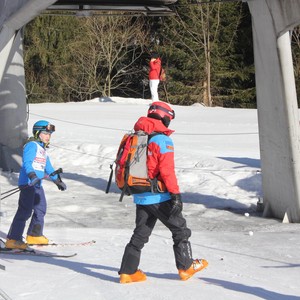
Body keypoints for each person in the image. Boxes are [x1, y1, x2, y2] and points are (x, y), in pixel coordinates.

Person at [119, 101, 208, 283]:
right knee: (180, 230)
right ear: (165, 117)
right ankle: (186, 267)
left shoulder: (136, 136)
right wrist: (175, 195)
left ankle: (128, 272)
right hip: (159, 196)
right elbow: (167, 171)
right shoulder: (162, 140)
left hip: (140, 195)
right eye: (170, 117)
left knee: (140, 233)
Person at [5, 120, 67, 250]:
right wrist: (32, 175)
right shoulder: (31, 145)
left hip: (37, 184)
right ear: (38, 133)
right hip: (28, 183)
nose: (48, 136)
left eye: (49, 134)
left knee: (41, 209)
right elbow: (27, 163)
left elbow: (49, 168)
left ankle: (34, 234)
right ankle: (13, 239)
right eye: (45, 133)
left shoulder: (42, 149)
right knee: (25, 211)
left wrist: (57, 180)